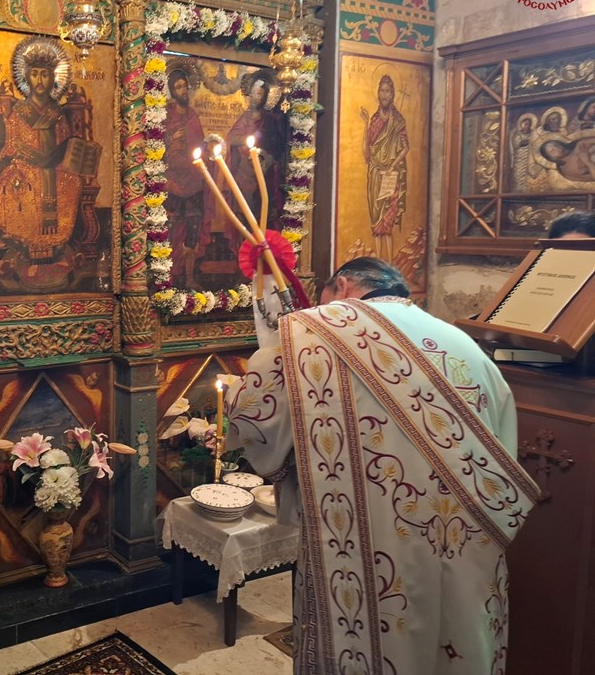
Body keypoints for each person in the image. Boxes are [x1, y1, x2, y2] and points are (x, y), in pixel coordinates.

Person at [223, 257, 539, 675]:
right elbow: (502, 450)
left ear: (342, 285)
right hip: (464, 539)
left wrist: (236, 395)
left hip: (371, 536)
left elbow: (252, 415)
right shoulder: (463, 343)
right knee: (454, 639)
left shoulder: (316, 330)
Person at [0, 36, 88, 288]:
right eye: (35, 75)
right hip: (26, 166)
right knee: (19, 187)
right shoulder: (19, 111)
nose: (40, 81)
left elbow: (65, 141)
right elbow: (11, 143)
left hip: (54, 166)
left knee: (71, 183)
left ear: (54, 79)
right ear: (27, 78)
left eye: (45, 75)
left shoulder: (57, 112)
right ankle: (24, 251)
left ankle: (57, 247)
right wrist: (30, 158)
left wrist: (57, 157)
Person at [225, 71, 288, 239]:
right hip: (244, 171)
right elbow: (232, 138)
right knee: (242, 210)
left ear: (265, 97)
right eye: (253, 93)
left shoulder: (270, 120)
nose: (255, 98)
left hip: (263, 171)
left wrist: (265, 156)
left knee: (261, 210)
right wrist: (248, 140)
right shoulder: (244, 118)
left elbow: (276, 146)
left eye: (259, 94)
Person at [163, 68, 208, 288]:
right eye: (178, 87)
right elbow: (155, 144)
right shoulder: (167, 116)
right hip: (173, 182)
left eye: (184, 86)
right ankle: (168, 275)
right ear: (172, 91)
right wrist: (172, 137)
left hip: (193, 181)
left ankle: (189, 278)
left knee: (193, 227)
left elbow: (200, 143)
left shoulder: (193, 115)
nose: (183, 90)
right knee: (171, 227)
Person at [361, 75, 409, 260]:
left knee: (387, 222)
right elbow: (367, 152)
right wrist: (365, 124)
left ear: (393, 94)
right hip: (375, 173)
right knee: (376, 221)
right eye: (382, 91)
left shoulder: (398, 120)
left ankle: (389, 264)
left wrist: (393, 166)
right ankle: (378, 263)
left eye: (388, 91)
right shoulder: (374, 120)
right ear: (378, 93)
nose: (384, 95)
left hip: (389, 175)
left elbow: (405, 147)